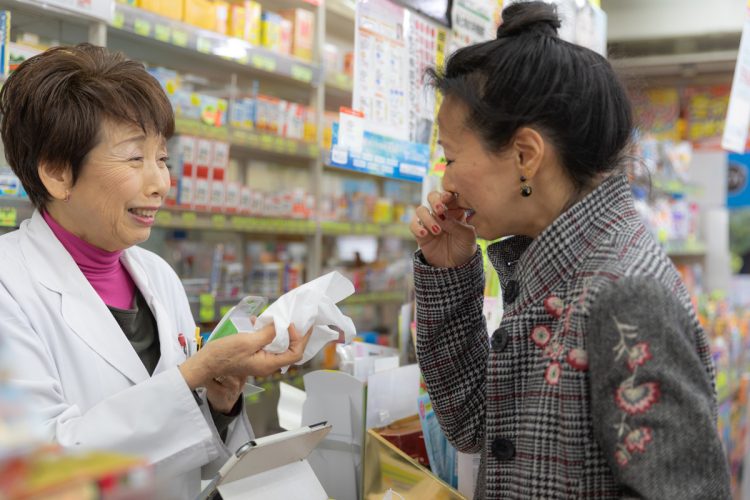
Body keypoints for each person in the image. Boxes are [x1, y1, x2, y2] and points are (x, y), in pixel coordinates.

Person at [410, 2, 731, 498]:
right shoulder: (555, 266)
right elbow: (476, 426)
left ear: (525, 155)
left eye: (450, 157)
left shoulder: (624, 294)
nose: (445, 180)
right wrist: (448, 270)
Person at [0, 44, 311, 499]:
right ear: (57, 172)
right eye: (134, 158)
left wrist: (221, 402)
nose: (161, 183)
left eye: (162, 159)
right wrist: (191, 375)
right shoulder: (9, 282)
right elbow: (31, 472)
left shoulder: (157, 275)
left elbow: (186, 451)